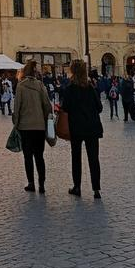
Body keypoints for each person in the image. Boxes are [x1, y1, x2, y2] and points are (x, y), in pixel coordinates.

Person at [61, 59, 103, 199]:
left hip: (76, 127)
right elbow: (100, 108)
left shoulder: (69, 89)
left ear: (72, 71)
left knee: (76, 157)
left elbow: (65, 108)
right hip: (92, 127)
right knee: (93, 158)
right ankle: (96, 189)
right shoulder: (90, 88)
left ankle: (77, 186)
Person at [11, 61, 53, 194]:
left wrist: (16, 123)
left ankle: (31, 183)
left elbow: (17, 107)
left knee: (27, 156)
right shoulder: (40, 85)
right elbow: (47, 105)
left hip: (25, 126)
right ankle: (42, 184)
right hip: (39, 126)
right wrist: (48, 121)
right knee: (39, 156)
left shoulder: (21, 87)